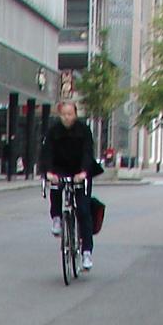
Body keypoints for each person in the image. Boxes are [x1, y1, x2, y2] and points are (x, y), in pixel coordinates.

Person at [38, 100, 97, 270]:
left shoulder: (84, 130)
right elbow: (47, 152)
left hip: (80, 170)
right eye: (64, 114)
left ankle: (86, 252)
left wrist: (84, 172)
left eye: (70, 114)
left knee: (84, 211)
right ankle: (57, 218)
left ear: (75, 114)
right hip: (60, 168)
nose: (67, 117)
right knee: (56, 187)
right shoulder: (53, 131)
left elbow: (88, 152)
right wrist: (48, 171)